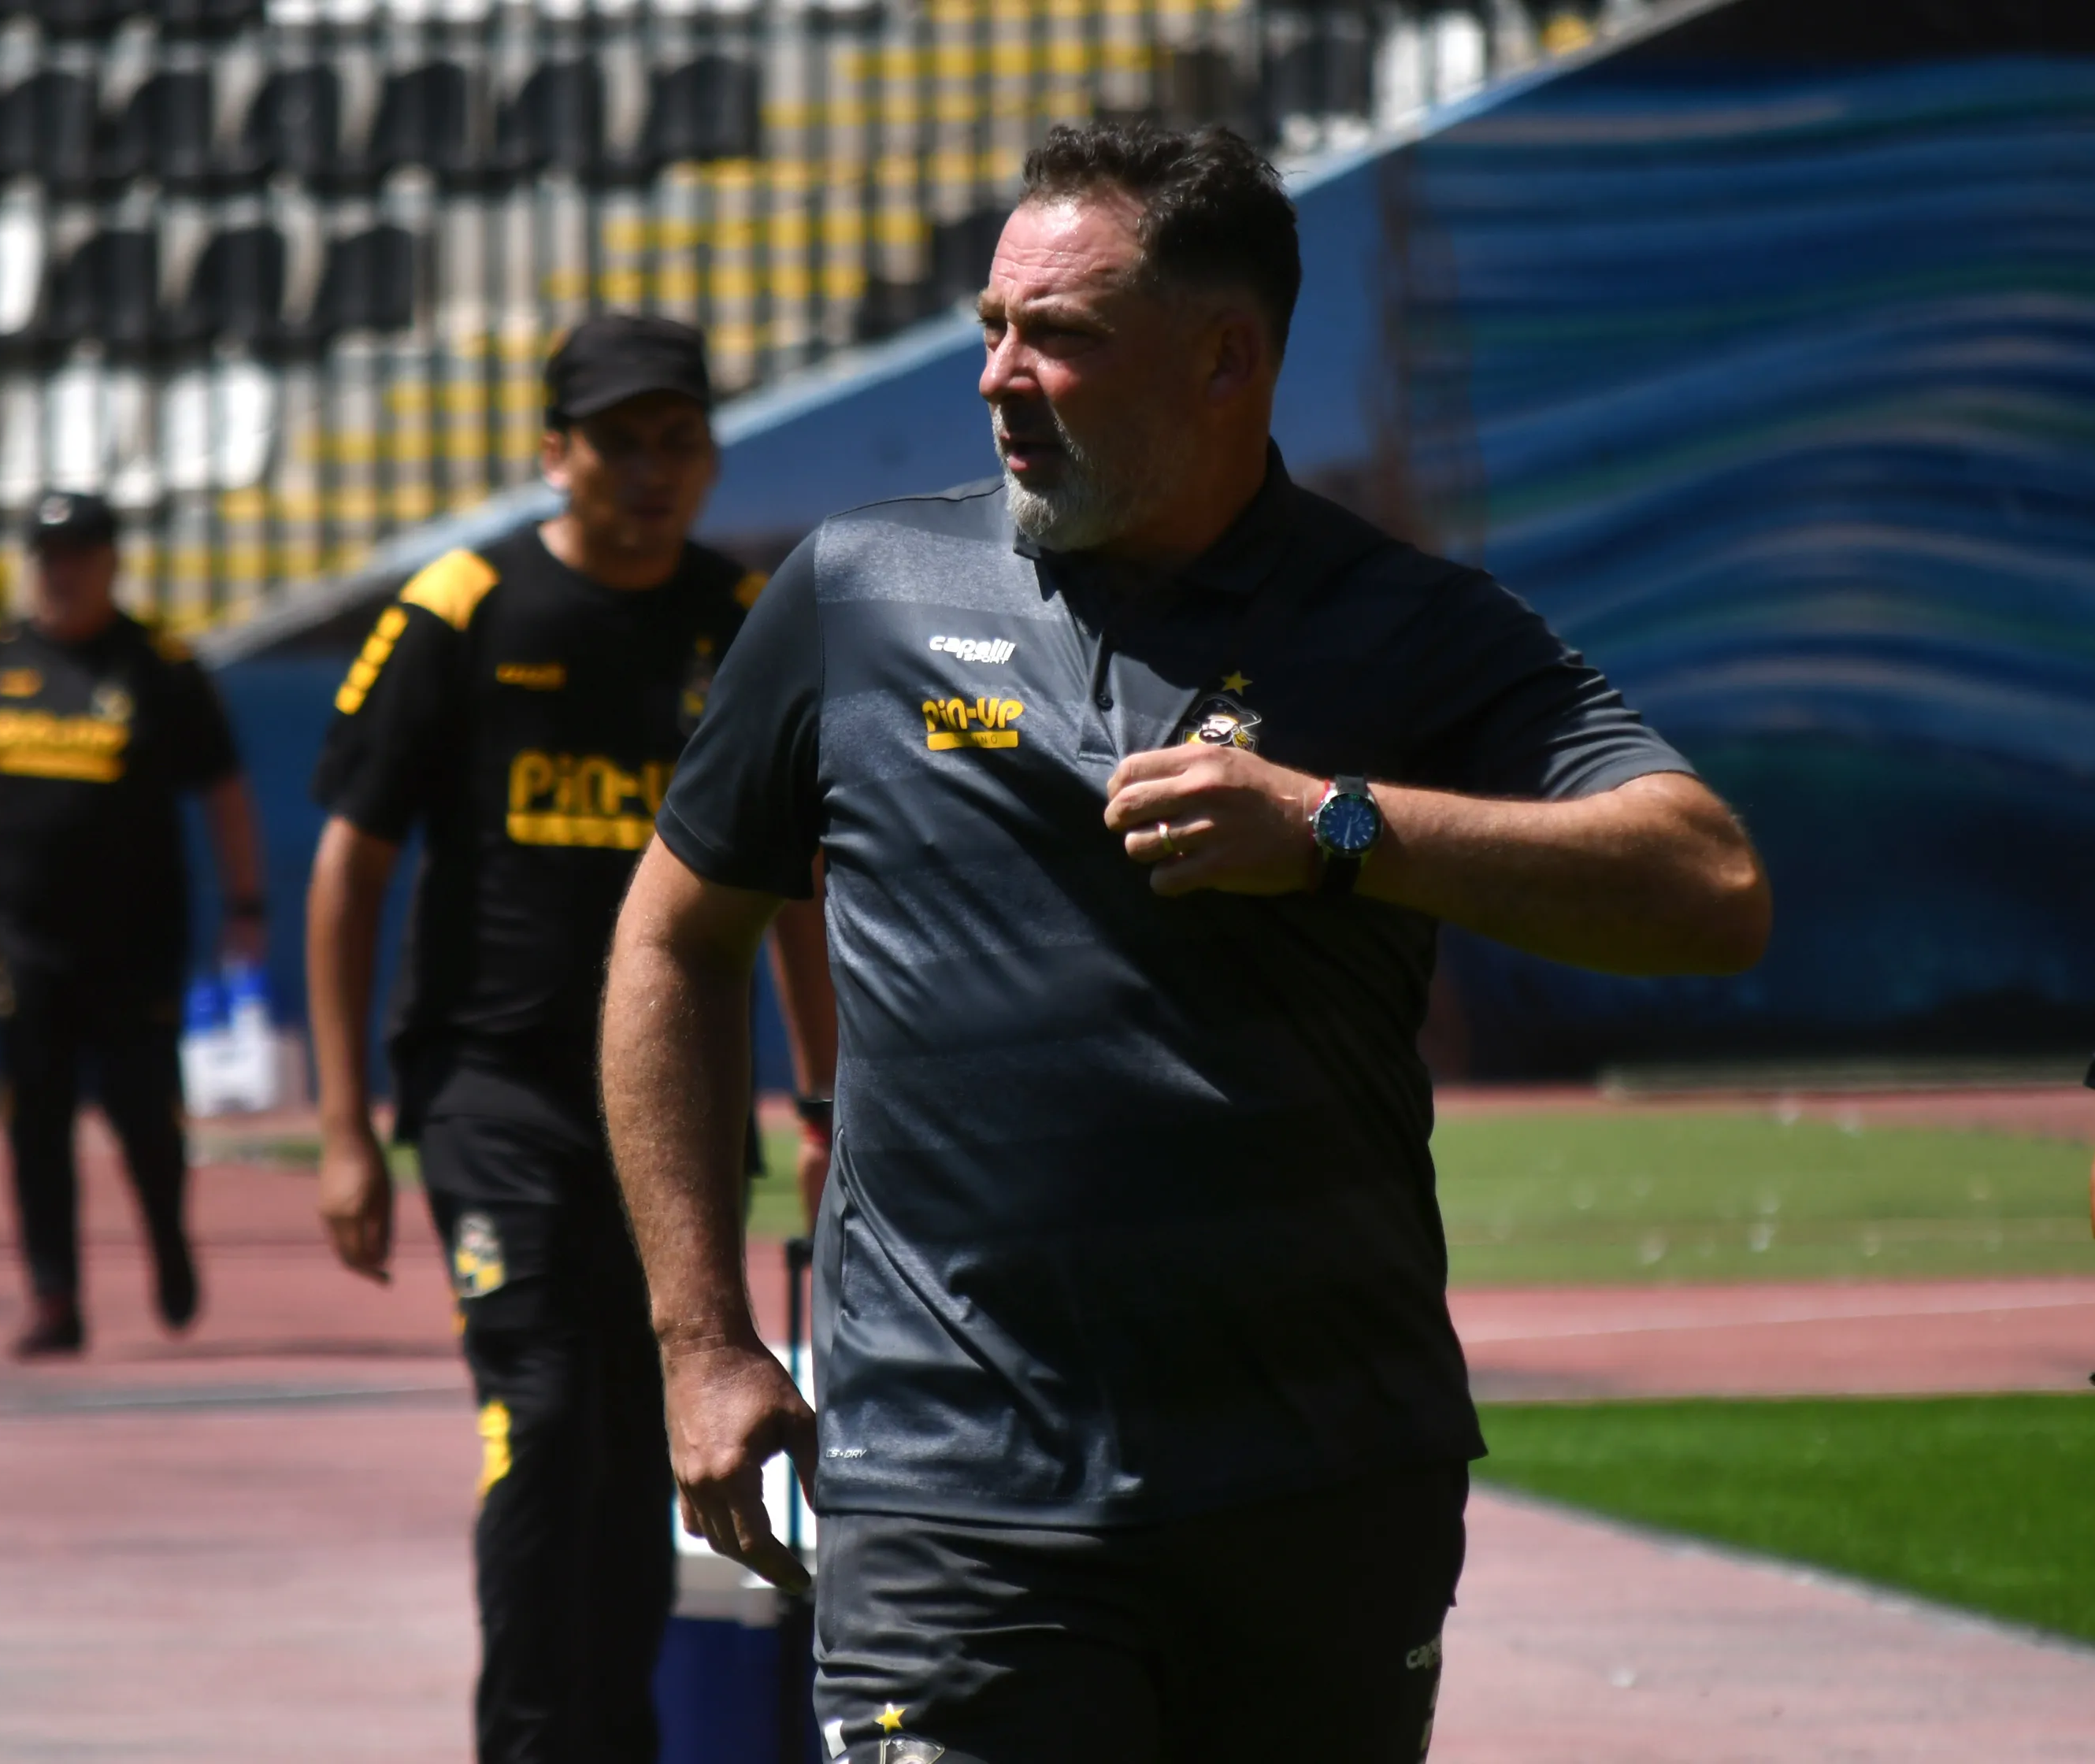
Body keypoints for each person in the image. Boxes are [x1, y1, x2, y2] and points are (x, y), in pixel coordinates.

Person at [600, 124, 1774, 1764]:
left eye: (1059, 335)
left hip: (1316, 1491)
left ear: (1227, 358)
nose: (1002, 375)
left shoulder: (1409, 627)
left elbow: (1707, 884)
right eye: (991, 325)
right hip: (951, 1493)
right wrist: (703, 1338)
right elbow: (670, 939)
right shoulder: (854, 589)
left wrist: (1331, 828)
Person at [306, 313, 837, 1764]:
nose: (649, 470)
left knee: (649, 1443)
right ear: (554, 454)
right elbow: (348, 869)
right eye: (615, 440)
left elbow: (795, 879)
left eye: (678, 440)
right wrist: (347, 1126)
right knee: (543, 1427)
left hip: (676, 1108)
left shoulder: (746, 625)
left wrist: (826, 1087)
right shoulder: (462, 608)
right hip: (495, 1098)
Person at [0, 491, 266, 1358]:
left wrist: (247, 904)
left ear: (111, 561)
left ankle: (168, 1240)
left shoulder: (160, 665)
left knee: (144, 1114)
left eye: (81, 553)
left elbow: (226, 790)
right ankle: (54, 1294)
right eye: (49, 553)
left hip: (136, 939)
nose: (62, 570)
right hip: (21, 940)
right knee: (36, 1121)